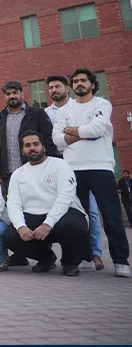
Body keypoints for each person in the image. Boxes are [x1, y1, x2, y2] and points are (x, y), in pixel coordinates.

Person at [53, 67, 130, 278]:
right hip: (73, 170)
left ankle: (121, 261)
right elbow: (56, 140)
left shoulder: (102, 104)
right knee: (79, 217)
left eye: (83, 80)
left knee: (112, 217)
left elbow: (97, 129)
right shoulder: (64, 110)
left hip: (101, 168)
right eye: (75, 81)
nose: (79, 84)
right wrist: (83, 131)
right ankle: (85, 257)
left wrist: (69, 129)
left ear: (93, 84)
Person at [3, 130, 91, 277]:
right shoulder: (18, 174)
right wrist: (20, 226)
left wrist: (47, 224)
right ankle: (46, 258)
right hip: (33, 216)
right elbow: (13, 203)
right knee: (10, 236)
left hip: (64, 214)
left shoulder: (60, 165)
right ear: (23, 151)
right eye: (27, 145)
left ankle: (70, 262)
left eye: (35, 144)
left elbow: (65, 197)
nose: (32, 148)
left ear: (43, 147)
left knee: (71, 225)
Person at [0, 80, 56, 267]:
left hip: (35, 171)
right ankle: (21, 253)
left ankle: (45, 255)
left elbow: (48, 141)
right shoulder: (0, 118)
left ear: (21, 93)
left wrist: (47, 165)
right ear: (4, 96)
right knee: (17, 213)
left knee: (39, 211)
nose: (12, 96)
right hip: (10, 174)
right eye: (8, 94)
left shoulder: (36, 113)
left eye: (15, 92)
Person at [45, 74, 104, 271]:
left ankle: (95, 253)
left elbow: (92, 131)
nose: (54, 90)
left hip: (81, 162)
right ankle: (75, 254)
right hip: (56, 162)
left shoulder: (80, 107)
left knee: (90, 210)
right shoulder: (46, 113)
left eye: (58, 86)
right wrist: (79, 133)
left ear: (67, 88)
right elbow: (54, 138)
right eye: (51, 87)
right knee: (63, 209)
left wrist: (69, 132)